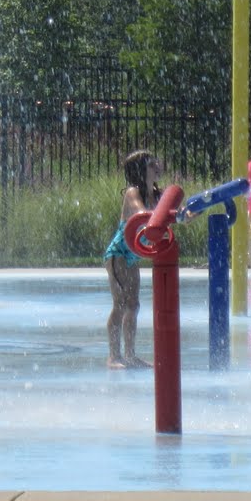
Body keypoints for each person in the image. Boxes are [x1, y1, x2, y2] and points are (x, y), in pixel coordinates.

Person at [104, 149, 161, 369]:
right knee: (120, 304)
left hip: (132, 255)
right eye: (151, 164)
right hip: (118, 253)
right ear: (140, 170)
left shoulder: (156, 194)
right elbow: (141, 213)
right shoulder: (132, 192)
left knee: (133, 305)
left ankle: (130, 355)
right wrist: (163, 212)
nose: (157, 166)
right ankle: (113, 356)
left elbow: (175, 210)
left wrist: (187, 213)